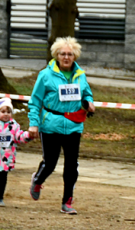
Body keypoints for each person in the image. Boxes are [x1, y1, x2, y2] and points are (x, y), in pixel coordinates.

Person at [27, 36, 95, 215]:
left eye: (70, 54)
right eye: (62, 54)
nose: (66, 57)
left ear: (75, 56)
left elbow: (86, 93)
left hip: (73, 125)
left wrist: (89, 102)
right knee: (50, 162)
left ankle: (67, 202)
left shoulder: (80, 75)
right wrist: (34, 124)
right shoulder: (46, 75)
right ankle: (38, 179)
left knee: (72, 166)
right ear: (56, 55)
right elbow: (35, 101)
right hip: (50, 125)